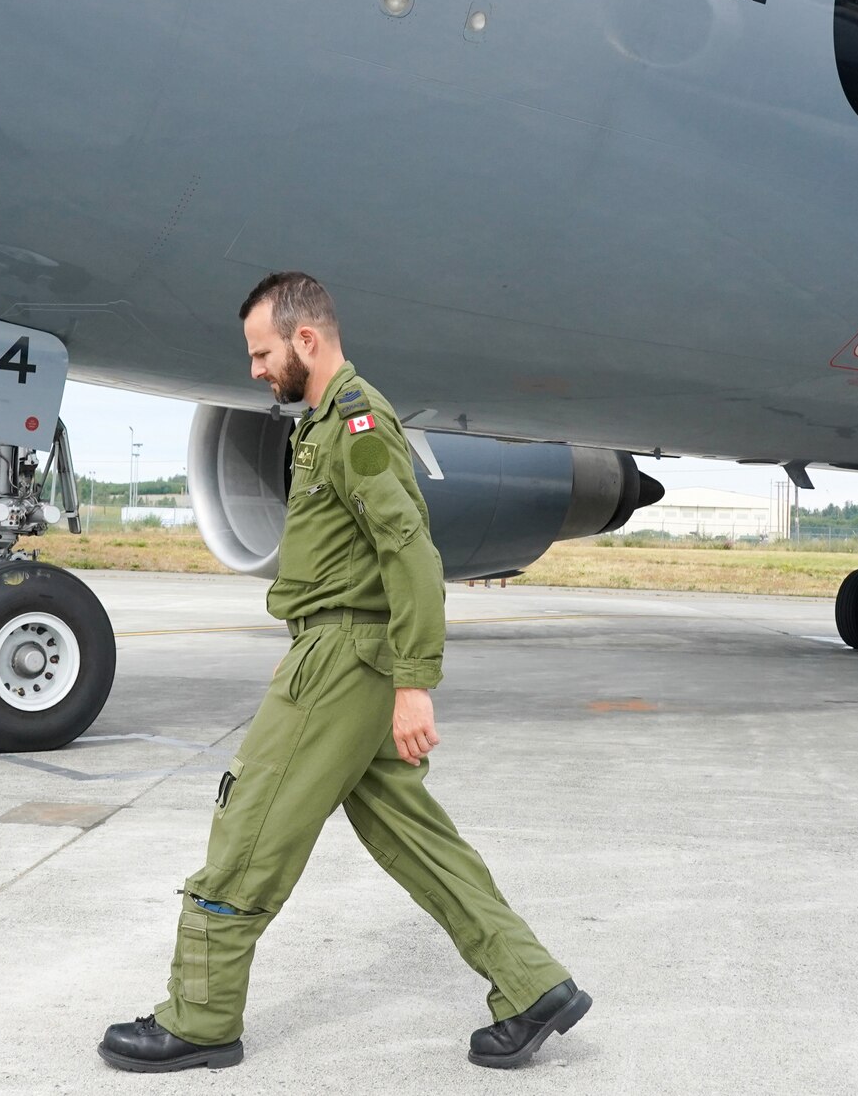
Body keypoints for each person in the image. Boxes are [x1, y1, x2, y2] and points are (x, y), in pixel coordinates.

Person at [99, 271, 590, 1073]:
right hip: (347, 656)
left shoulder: (357, 424)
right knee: (419, 839)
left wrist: (413, 681)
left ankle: (201, 1015)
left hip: (337, 662)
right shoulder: (324, 422)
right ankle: (531, 983)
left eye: (262, 353)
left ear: (306, 338)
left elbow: (411, 550)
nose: (255, 369)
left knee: (249, 825)